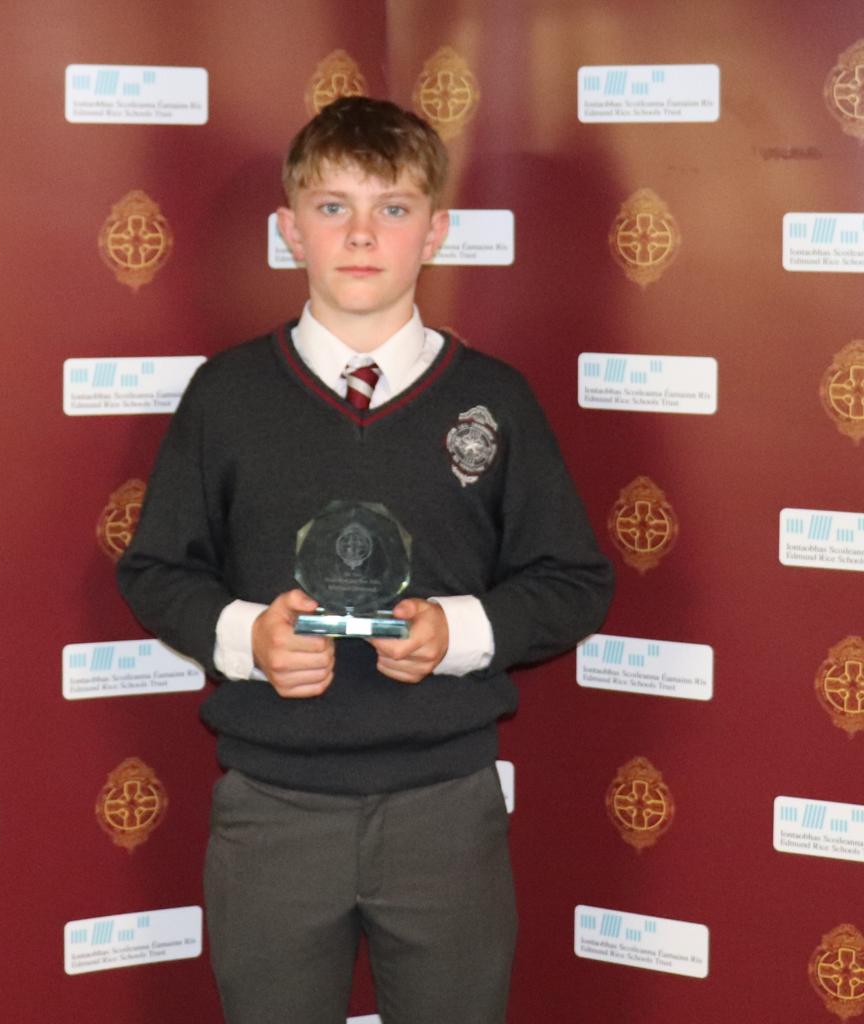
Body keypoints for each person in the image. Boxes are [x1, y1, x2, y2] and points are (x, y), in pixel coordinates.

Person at [117, 95, 614, 1024]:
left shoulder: (494, 399)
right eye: (331, 206)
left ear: (435, 232)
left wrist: (459, 632)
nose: (359, 234)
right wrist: (247, 639)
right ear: (289, 230)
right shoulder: (227, 395)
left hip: (445, 811)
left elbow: (574, 581)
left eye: (392, 208)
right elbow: (157, 569)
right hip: (272, 809)